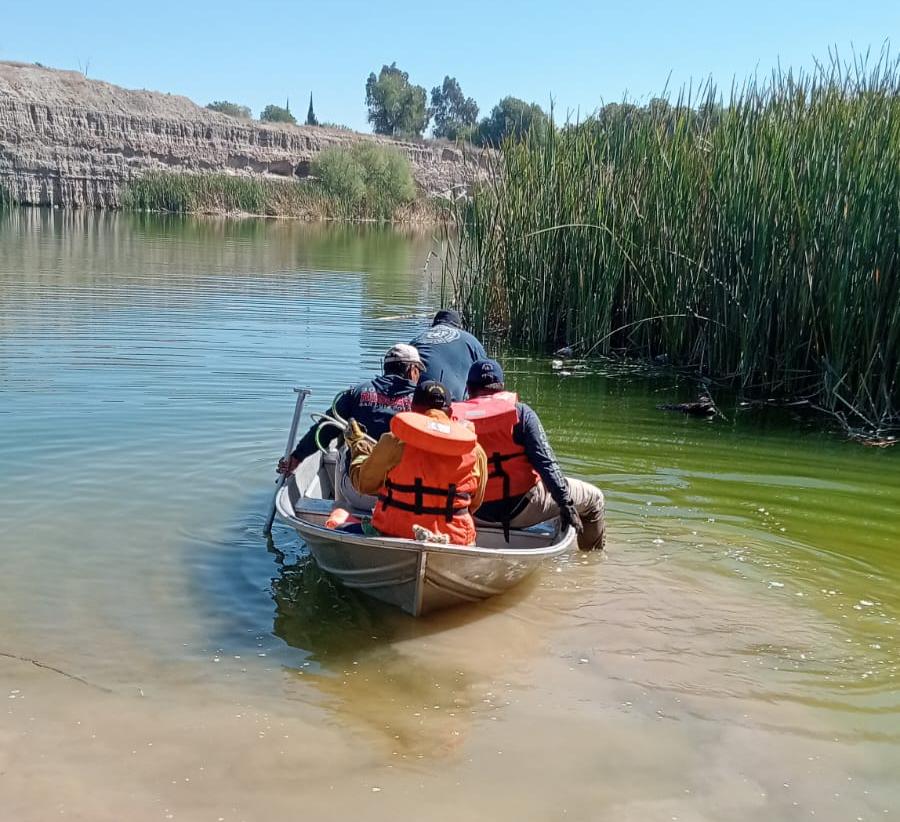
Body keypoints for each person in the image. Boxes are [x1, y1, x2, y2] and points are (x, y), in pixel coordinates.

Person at [451, 359, 606, 551]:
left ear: (468, 388)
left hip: (474, 511)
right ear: (502, 388)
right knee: (594, 499)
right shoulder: (521, 413)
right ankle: (590, 562)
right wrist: (565, 503)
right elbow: (547, 464)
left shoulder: (454, 418)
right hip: (523, 508)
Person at [277, 344, 423, 509]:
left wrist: (296, 458)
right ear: (412, 370)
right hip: (406, 498)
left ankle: (341, 508)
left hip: (360, 495)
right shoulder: (422, 401)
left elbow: (324, 430)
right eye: (419, 371)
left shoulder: (356, 392)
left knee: (343, 444)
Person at [346, 380, 488, 544]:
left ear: (412, 409)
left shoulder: (394, 441)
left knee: (338, 520)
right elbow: (475, 502)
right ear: (449, 412)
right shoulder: (475, 450)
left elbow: (364, 484)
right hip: (455, 539)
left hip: (395, 534)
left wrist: (358, 445)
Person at [409, 309, 487, 402]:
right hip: (449, 400)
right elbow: (485, 375)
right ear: (459, 326)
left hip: (414, 399)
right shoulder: (471, 341)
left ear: (433, 325)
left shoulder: (416, 340)